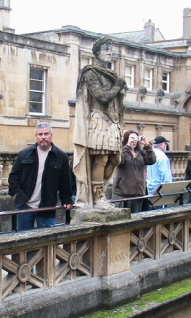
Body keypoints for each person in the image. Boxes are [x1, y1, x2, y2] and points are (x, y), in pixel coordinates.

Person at [73, 37, 126, 209]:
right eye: (106, 49)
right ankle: (97, 198)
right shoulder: (90, 72)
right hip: (99, 120)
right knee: (101, 159)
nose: (110, 53)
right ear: (96, 53)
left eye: (111, 50)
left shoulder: (112, 76)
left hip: (113, 121)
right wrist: (118, 87)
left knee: (114, 160)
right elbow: (102, 97)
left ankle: (100, 192)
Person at [8, 122, 73, 231]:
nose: (43, 137)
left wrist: (67, 199)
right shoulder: (24, 154)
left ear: (51, 135)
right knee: (24, 240)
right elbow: (14, 177)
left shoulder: (61, 157)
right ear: (36, 136)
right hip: (25, 205)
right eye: (40, 134)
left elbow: (65, 182)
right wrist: (17, 193)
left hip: (47, 206)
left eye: (46, 134)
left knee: (49, 241)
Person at [112, 130, 156, 212]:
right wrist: (127, 146)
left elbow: (152, 160)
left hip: (138, 193)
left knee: (137, 218)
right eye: (132, 138)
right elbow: (119, 161)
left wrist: (147, 145)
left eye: (136, 138)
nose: (134, 140)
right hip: (123, 193)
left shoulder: (140, 153)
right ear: (126, 139)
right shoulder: (123, 152)